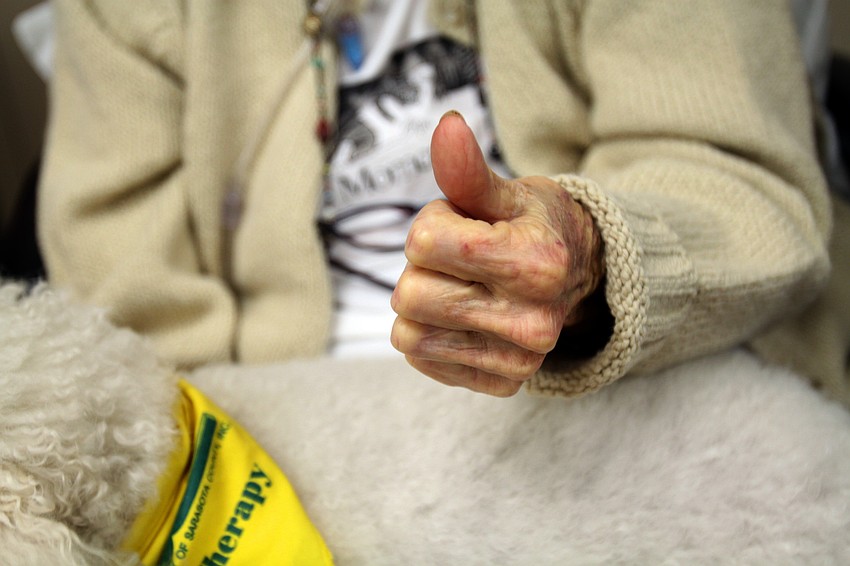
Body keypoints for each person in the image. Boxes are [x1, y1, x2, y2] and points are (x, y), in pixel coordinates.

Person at [38, 0, 832, 400]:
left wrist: (589, 256)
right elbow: (128, 309)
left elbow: (747, 195)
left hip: (628, 401)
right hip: (280, 425)